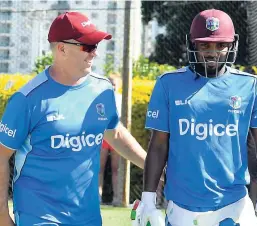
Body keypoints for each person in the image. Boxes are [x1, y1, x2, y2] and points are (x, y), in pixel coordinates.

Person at [131, 9, 257, 226]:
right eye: (205, 45)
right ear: (192, 44)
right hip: (181, 205)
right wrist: (148, 198)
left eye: (221, 45)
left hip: (233, 203)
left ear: (232, 44)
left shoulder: (249, 85)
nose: (213, 52)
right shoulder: (168, 84)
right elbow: (158, 145)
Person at [0, 11, 147, 226]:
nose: (94, 53)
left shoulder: (102, 89)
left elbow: (114, 133)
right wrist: (3, 216)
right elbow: (1, 155)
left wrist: (153, 166)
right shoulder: (26, 100)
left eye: (96, 46)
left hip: (87, 217)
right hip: (39, 216)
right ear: (61, 49)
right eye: (87, 46)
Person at [99, 74, 122, 205]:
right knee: (99, 168)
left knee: (116, 169)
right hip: (103, 137)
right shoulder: (101, 99)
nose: (112, 86)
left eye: (114, 83)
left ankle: (117, 198)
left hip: (117, 137)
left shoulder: (121, 99)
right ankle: (98, 197)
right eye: (110, 83)